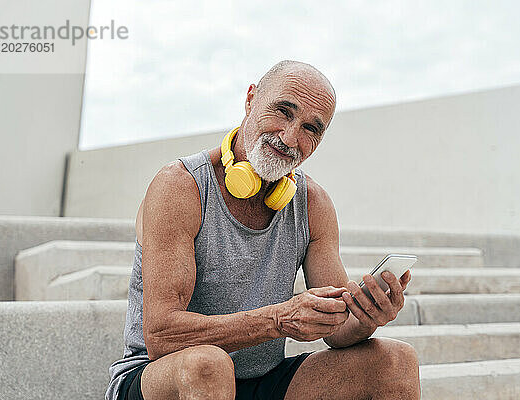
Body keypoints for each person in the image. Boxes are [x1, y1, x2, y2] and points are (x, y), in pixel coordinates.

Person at [106, 60, 421, 400]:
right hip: (165, 375)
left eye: (311, 129)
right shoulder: (180, 186)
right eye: (284, 111)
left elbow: (339, 330)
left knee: (395, 359)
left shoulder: (313, 203)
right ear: (250, 99)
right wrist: (277, 320)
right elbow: (162, 335)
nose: (290, 138)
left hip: (262, 380)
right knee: (208, 365)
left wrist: (366, 317)